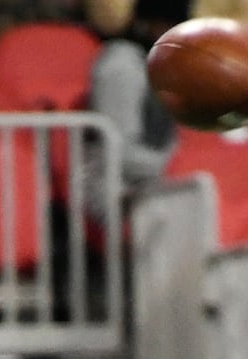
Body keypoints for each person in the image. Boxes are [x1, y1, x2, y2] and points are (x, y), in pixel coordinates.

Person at [85, 0, 184, 210]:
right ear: (149, 25)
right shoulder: (120, 65)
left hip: (152, 180)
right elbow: (121, 153)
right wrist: (178, 165)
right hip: (111, 188)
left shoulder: (162, 68)